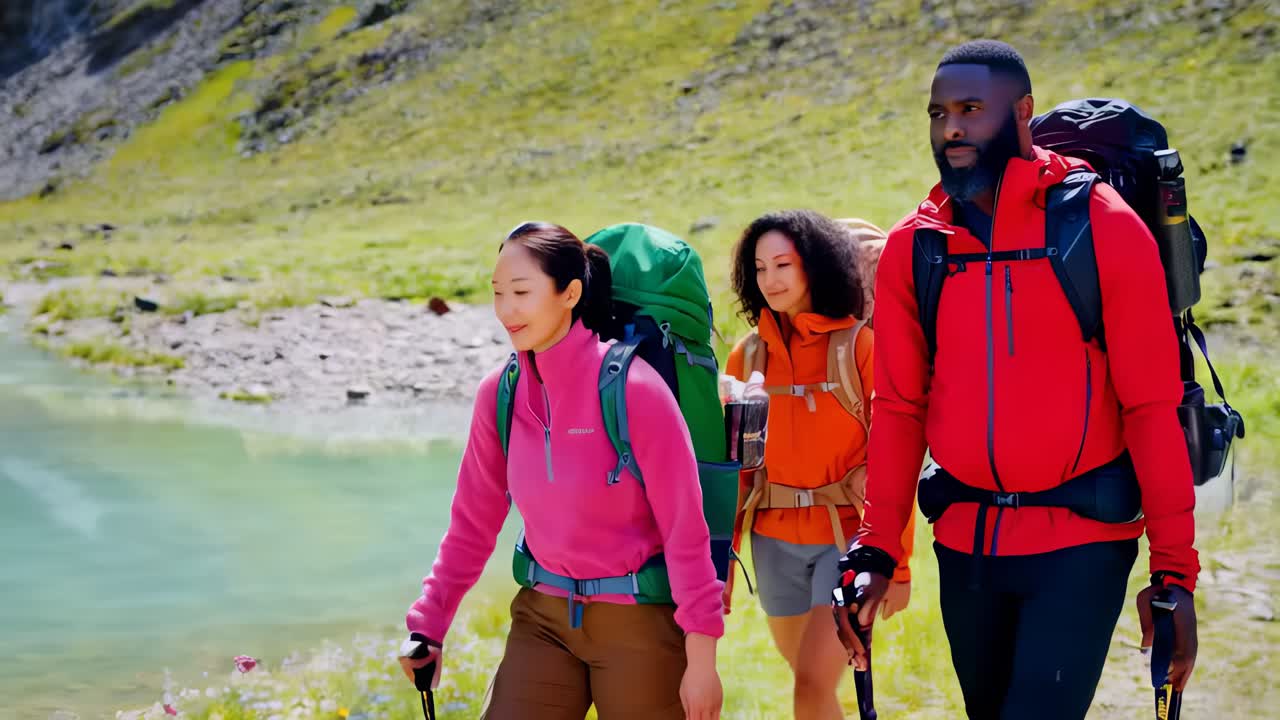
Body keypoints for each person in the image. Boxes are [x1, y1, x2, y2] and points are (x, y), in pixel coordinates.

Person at [833, 40, 1200, 720]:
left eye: (972, 109)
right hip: (967, 544)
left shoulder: (1101, 227)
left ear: (1022, 112)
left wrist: (1174, 569)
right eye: (939, 113)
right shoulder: (919, 245)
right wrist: (876, 545)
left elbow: (1152, 406)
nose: (952, 128)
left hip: (1083, 544)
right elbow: (899, 409)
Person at [400, 222, 724, 720]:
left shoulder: (636, 389)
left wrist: (702, 661)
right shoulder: (500, 393)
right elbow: (472, 523)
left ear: (570, 292)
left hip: (639, 620)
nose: (507, 310)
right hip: (542, 618)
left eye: (522, 292)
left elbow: (686, 531)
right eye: (498, 293)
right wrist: (429, 625)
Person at [724, 210, 914, 720]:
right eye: (760, 269)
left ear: (816, 266)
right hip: (773, 544)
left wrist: (898, 564)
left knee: (810, 686)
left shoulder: (861, 347)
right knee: (811, 686)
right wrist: (722, 560)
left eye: (783, 264)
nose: (771, 280)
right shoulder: (746, 357)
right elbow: (736, 469)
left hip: (846, 541)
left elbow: (892, 460)